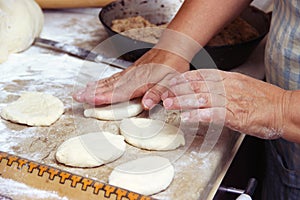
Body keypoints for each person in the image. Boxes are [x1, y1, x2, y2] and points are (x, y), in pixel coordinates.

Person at [73, 0, 300, 199]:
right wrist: (175, 47)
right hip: (288, 157)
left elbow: (283, 109)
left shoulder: (280, 110)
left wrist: (283, 108)